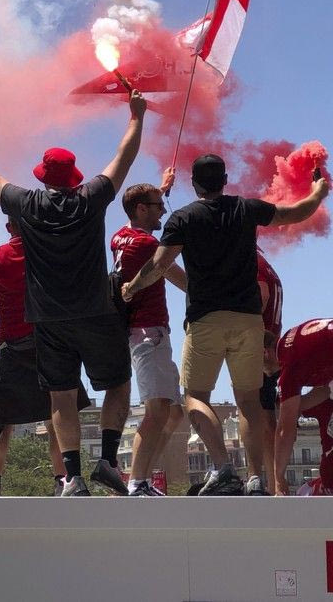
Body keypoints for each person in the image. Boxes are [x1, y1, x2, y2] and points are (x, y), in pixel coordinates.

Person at [0, 92, 146, 497]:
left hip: (48, 319)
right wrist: (135, 117)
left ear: (42, 176)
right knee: (118, 382)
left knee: (60, 396)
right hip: (95, 311)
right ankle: (109, 460)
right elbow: (124, 157)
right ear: (74, 175)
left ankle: (72, 478)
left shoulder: (26, 204)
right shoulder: (91, 198)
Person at [123, 154, 328, 495]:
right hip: (248, 320)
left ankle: (222, 467)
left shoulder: (183, 218)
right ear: (225, 179)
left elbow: (159, 264)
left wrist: (131, 287)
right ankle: (256, 479)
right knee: (248, 401)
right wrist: (318, 193)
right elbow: (295, 213)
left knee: (195, 396)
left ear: (195, 184)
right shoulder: (246, 209)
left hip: (205, 320)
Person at [0, 219, 87, 497]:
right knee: (57, 413)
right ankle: (63, 480)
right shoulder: (49, 253)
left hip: (11, 348)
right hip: (50, 345)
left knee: (1, 419)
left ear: (9, 226)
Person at [111, 174, 189, 496]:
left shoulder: (119, 237)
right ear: (142, 209)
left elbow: (142, 217)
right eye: (159, 207)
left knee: (173, 412)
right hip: (150, 333)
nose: (164, 212)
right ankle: (136, 482)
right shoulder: (148, 245)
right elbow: (176, 276)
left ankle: (140, 474)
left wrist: (161, 187)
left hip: (140, 332)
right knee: (158, 410)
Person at [272, 319, 333, 496]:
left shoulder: (289, 361)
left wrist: (278, 478)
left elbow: (284, 430)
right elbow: (322, 392)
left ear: (265, 354)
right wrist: (291, 409)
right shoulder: (296, 338)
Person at [251, 248, 283, 494]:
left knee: (254, 411)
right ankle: (276, 485)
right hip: (269, 348)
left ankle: (258, 479)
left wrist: (257, 339)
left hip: (258, 348)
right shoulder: (266, 264)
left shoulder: (252, 262)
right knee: (268, 418)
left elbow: (259, 299)